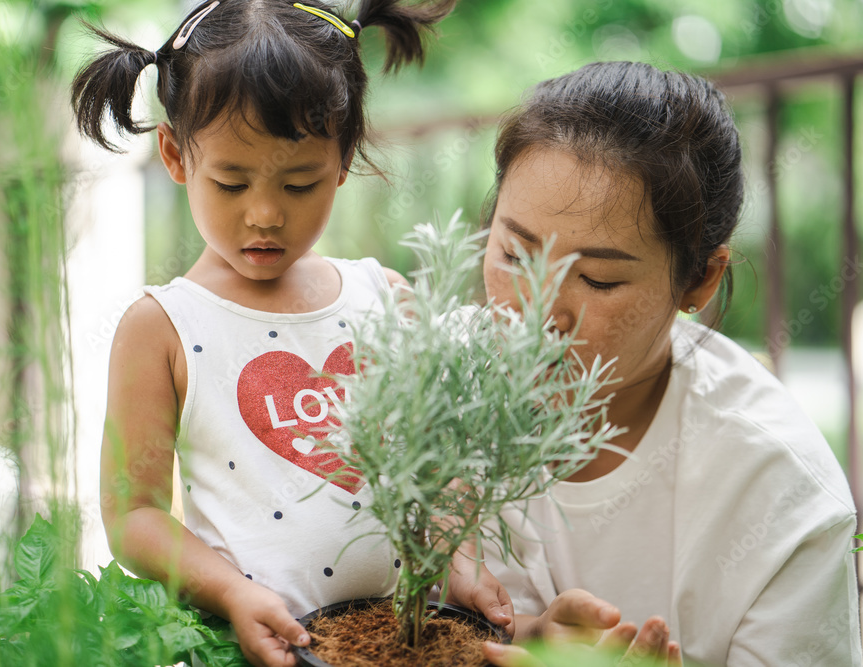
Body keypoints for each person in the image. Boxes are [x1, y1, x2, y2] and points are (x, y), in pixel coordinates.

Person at [70, 1, 456, 666]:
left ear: (343, 158)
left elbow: (440, 473)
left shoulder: (388, 300)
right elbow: (134, 515)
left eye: (300, 181)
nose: (266, 213)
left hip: (403, 644)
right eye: (231, 180)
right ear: (174, 154)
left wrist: (462, 560)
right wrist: (231, 592)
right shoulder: (161, 329)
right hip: (258, 648)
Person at [447, 61, 862, 666]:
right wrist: (525, 635)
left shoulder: (775, 489)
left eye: (597, 279)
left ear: (699, 280)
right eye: (514, 254)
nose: (540, 313)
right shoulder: (428, 385)